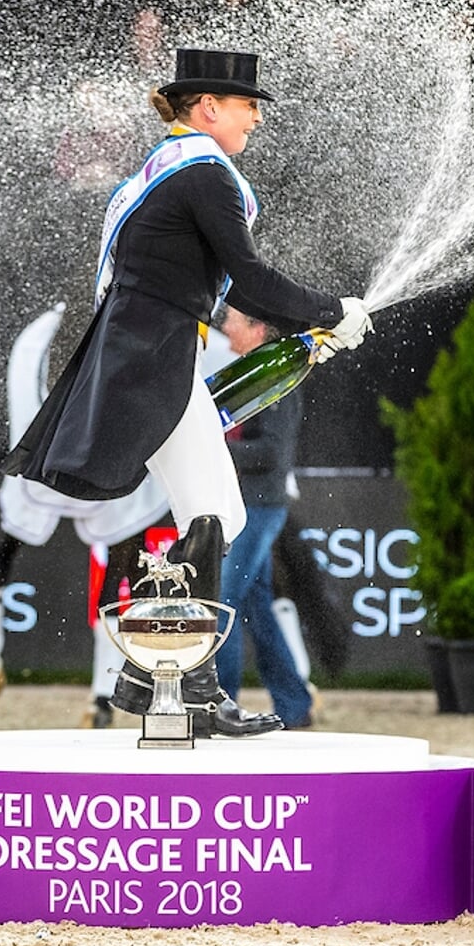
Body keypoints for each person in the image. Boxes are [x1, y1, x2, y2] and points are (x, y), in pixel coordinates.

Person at [5, 48, 372, 737]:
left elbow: (228, 289)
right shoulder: (205, 173)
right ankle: (169, 680)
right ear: (208, 107)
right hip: (158, 363)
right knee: (220, 517)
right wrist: (332, 309)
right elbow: (252, 280)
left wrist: (312, 330)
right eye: (247, 106)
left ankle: (154, 676)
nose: (256, 120)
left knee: (218, 517)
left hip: (147, 360)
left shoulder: (170, 170)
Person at [0, 304, 172, 729]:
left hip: (41, 470)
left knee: (7, 552)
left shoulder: (38, 340)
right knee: (116, 579)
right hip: (98, 470)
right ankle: (102, 695)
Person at [213, 305, 314, 729]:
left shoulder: (276, 377)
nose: (224, 326)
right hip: (253, 503)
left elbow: (272, 453)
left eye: (232, 319)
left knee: (222, 605)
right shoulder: (258, 370)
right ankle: (294, 704)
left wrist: (211, 446)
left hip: (258, 506)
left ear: (257, 328)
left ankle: (220, 702)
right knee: (255, 605)